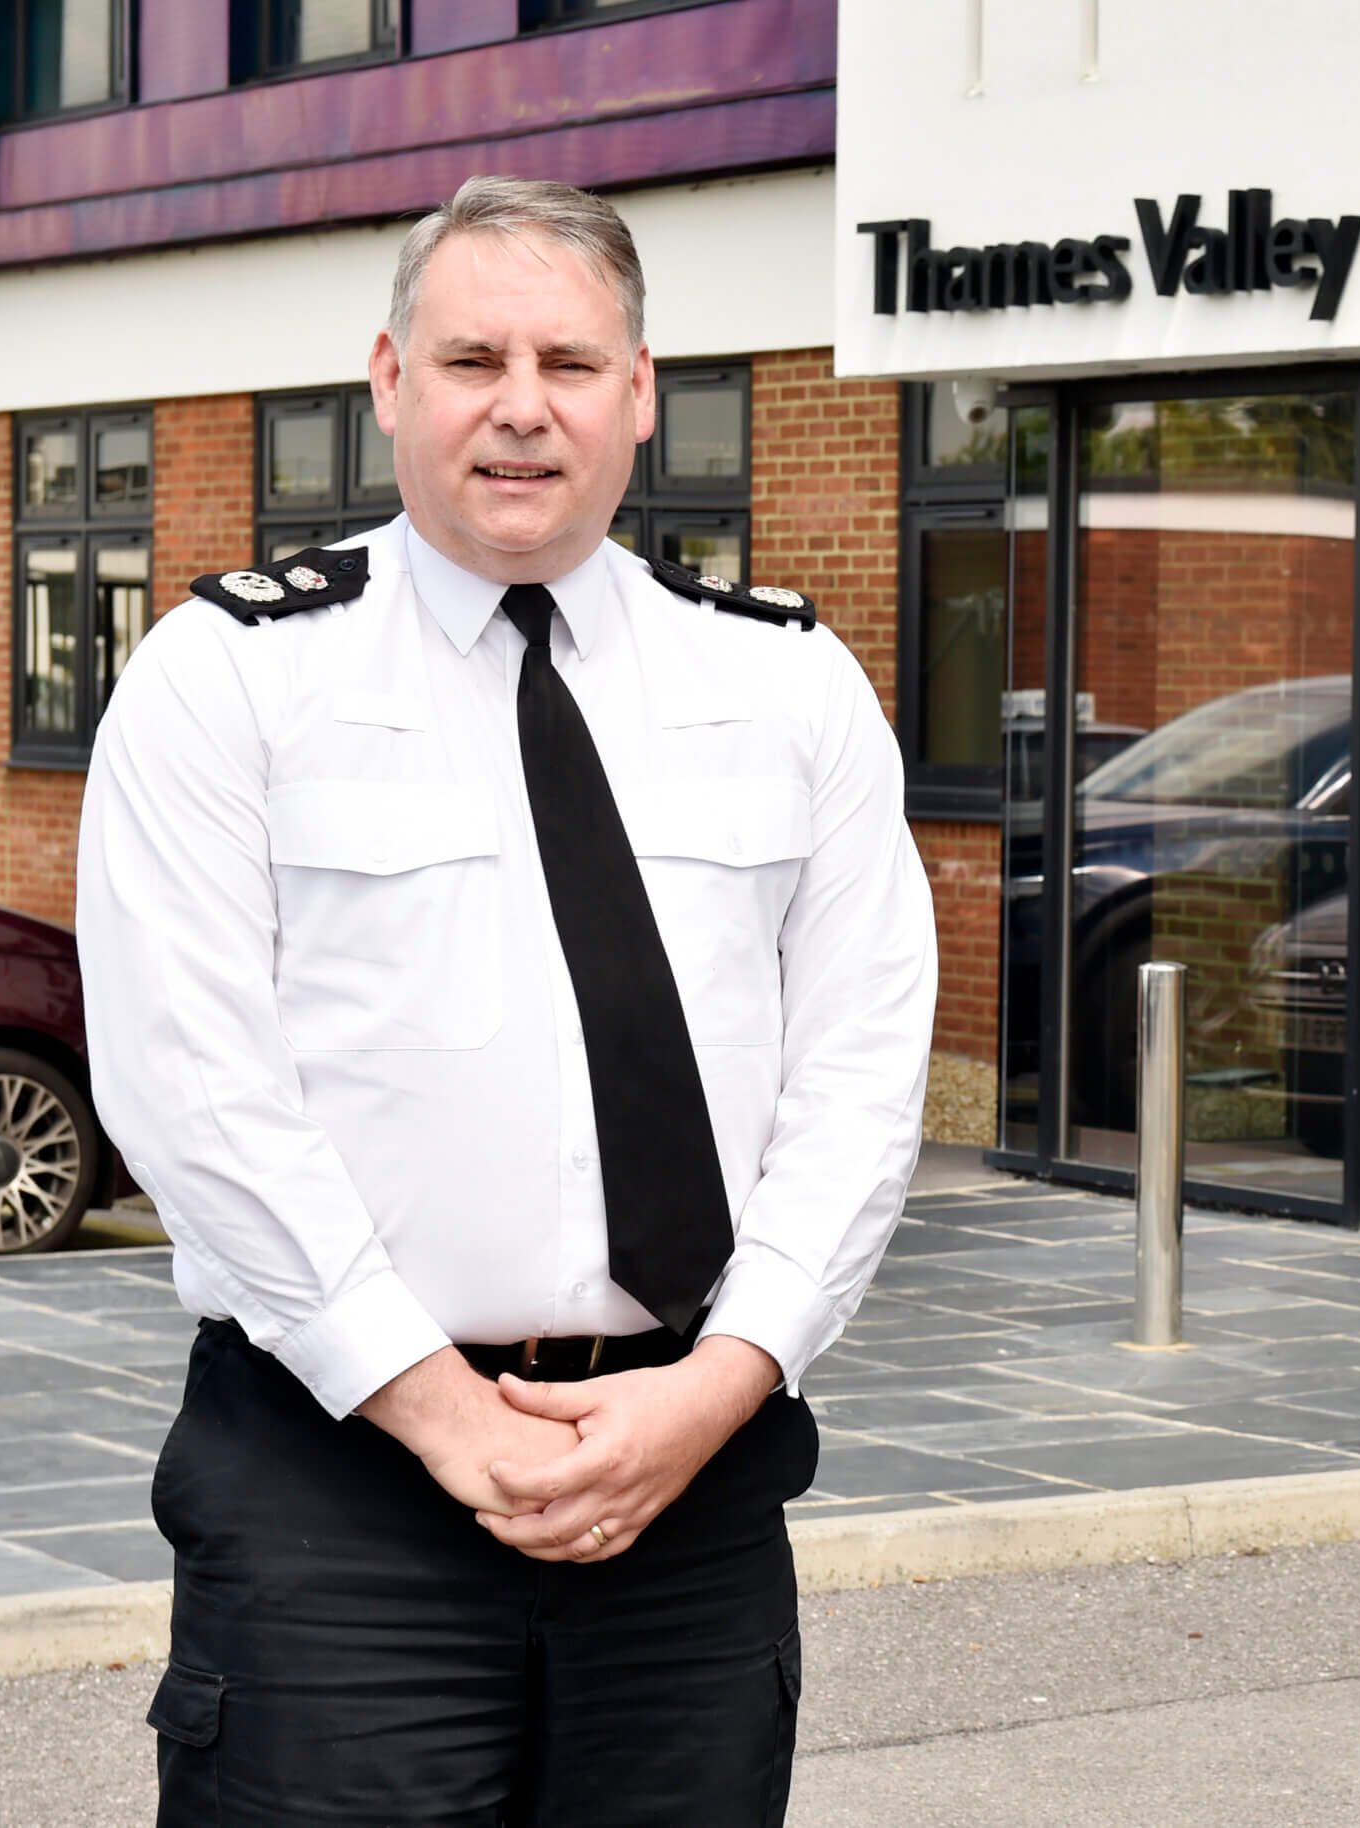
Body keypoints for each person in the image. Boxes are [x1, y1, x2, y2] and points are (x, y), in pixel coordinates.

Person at [76, 175, 936, 1825]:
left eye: (568, 361)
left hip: (690, 1474)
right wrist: (438, 1409)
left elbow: (860, 1076)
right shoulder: (233, 674)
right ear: (391, 383)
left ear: (640, 394)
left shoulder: (781, 682)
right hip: (342, 1496)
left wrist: (726, 1376)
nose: (522, 409)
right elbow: (192, 1088)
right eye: (473, 360)